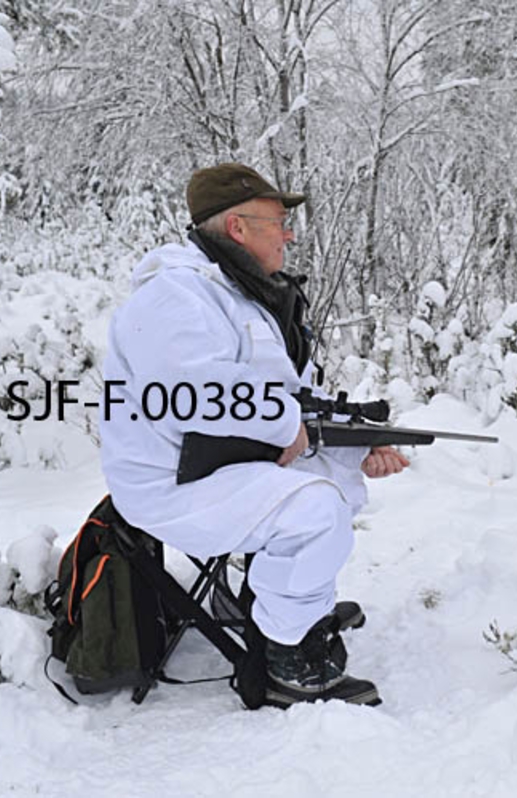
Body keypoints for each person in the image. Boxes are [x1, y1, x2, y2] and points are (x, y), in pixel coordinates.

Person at [99, 163, 409, 707]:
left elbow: (292, 393)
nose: (289, 233)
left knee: (336, 480)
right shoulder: (173, 295)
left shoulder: (242, 295)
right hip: (173, 483)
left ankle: (288, 606)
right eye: (278, 221)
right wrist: (288, 425)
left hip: (221, 464)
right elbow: (199, 390)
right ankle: (288, 660)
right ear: (238, 228)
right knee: (314, 511)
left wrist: (360, 441)